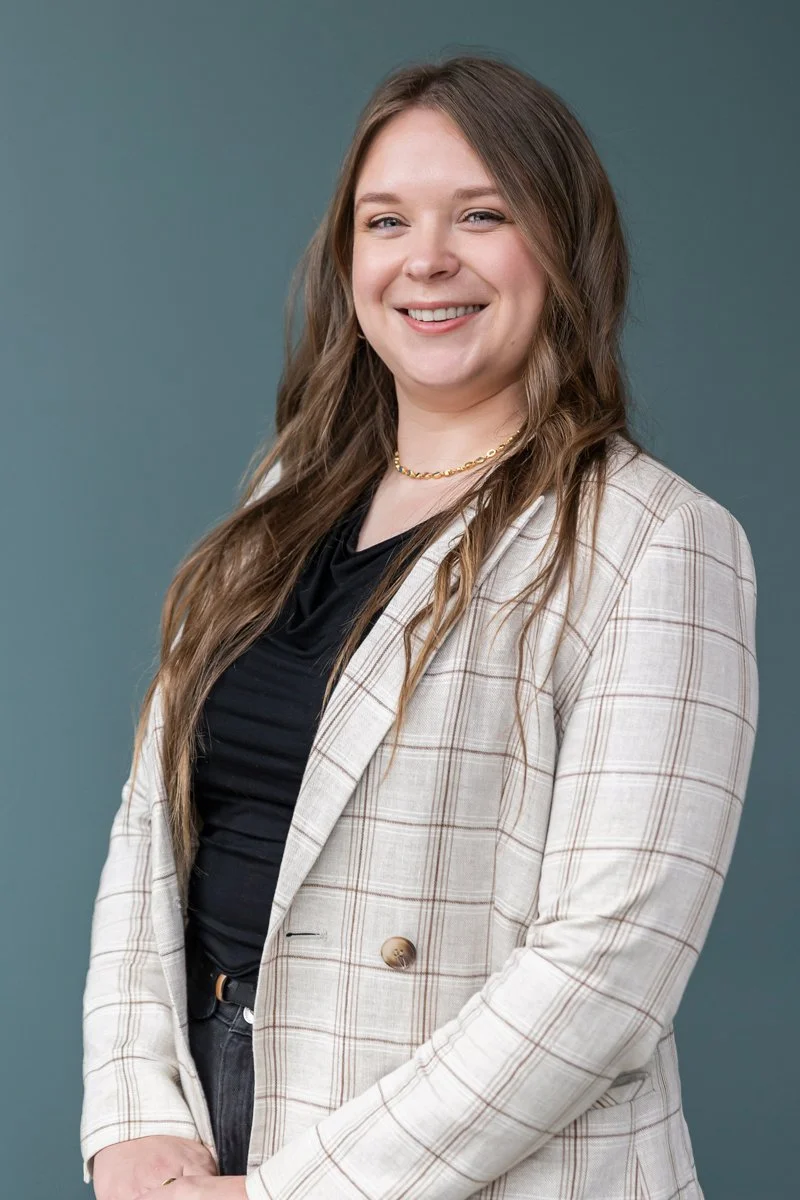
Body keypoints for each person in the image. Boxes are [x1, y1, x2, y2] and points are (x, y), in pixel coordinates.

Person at [80, 53, 758, 1200]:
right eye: (384, 221)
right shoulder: (284, 498)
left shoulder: (656, 538)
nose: (425, 259)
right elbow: (153, 827)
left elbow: (609, 970)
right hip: (210, 1114)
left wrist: (301, 1189)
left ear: (561, 243)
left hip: (455, 1160)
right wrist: (133, 1115)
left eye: (480, 215)